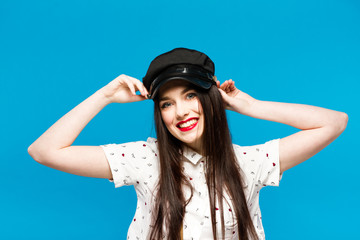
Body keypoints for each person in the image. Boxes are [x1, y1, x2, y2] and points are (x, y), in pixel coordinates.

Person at [28, 48, 348, 240]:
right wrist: (105, 96)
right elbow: (44, 151)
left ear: (211, 100)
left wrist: (253, 106)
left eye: (191, 96)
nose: (180, 112)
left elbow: (335, 123)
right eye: (166, 103)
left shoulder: (249, 162)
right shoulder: (144, 158)